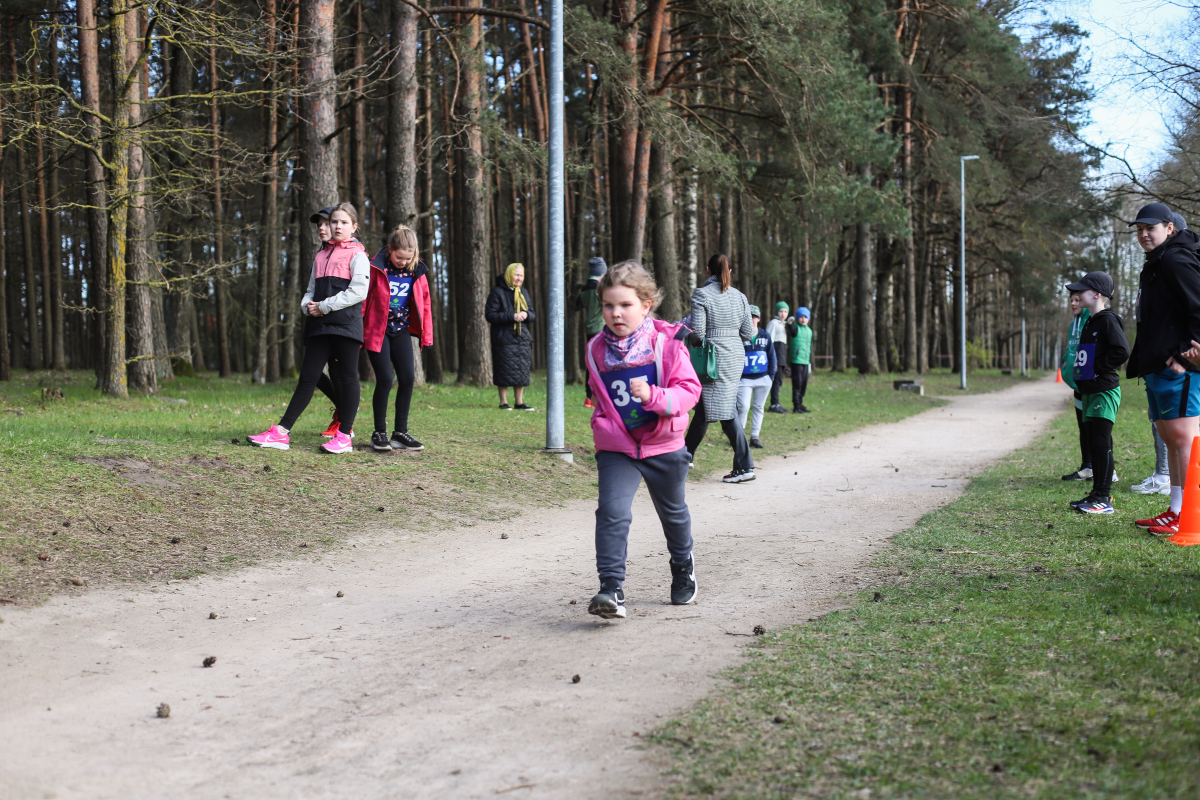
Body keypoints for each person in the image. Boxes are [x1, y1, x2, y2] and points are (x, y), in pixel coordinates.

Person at [583, 261, 702, 619]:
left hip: (664, 445)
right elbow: (601, 395)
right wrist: (603, 422)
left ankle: (682, 567)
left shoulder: (667, 343)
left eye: (625, 305)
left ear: (646, 305)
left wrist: (654, 397)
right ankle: (611, 589)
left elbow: (689, 392)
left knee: (673, 514)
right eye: (608, 305)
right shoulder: (596, 350)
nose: (615, 313)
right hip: (618, 447)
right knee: (612, 513)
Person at [247, 202, 369, 453]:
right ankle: (281, 432)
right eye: (334, 221)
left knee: (348, 378)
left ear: (354, 227)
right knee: (308, 377)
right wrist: (307, 305)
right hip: (320, 327)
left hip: (346, 326)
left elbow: (359, 291)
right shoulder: (321, 255)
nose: (337, 226)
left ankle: (345, 436)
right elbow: (310, 290)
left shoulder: (358, 255)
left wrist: (324, 306)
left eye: (344, 222)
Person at [1126, 202, 1200, 535]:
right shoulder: (1157, 262)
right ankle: (1175, 511)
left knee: (1184, 439)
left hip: (1180, 366)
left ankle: (1189, 516)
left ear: (1169, 228)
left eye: (1150, 228)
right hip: (1158, 364)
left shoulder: (1175, 258)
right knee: (1171, 440)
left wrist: (1191, 352)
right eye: (1139, 229)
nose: (1143, 234)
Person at [684, 253, 757, 483]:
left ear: (707, 270)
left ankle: (745, 467)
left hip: (713, 358)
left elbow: (698, 333)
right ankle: (683, 457)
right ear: (730, 271)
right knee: (706, 410)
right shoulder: (741, 297)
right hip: (735, 356)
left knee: (725, 412)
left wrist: (687, 341)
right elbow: (748, 333)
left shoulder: (701, 294)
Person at [364, 225, 433, 452]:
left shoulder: (417, 272)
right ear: (390, 249)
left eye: (408, 257)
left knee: (407, 378)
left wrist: (427, 335)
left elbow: (424, 304)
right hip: (378, 330)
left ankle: (399, 433)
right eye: (399, 257)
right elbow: (364, 299)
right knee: (385, 378)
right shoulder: (376, 268)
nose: (403, 262)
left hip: (401, 331)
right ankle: (379, 433)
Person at [1067, 272, 1128, 514]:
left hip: (1104, 390)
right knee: (1094, 442)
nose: (1078, 294)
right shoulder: (1090, 320)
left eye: (1083, 290)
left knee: (1102, 443)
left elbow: (1121, 351)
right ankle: (1095, 494)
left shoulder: (1108, 319)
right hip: (1090, 391)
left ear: (1098, 294)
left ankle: (1103, 498)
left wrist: (1096, 369)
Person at [485, 263, 537, 410]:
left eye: (521, 276)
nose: (519, 278)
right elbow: (490, 315)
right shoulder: (497, 292)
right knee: (504, 369)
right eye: (516, 275)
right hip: (503, 339)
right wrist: (512, 316)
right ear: (509, 275)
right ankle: (503, 402)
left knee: (520, 370)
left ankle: (519, 402)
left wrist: (526, 314)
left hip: (522, 338)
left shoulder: (523, 292)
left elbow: (532, 314)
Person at [1059, 289, 1092, 481]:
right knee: (1082, 426)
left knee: (1095, 427)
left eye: (1078, 300)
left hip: (1090, 383)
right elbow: (1070, 347)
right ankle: (1086, 466)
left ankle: (1105, 470)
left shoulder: (1091, 321)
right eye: (1072, 300)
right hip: (1077, 383)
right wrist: (1065, 361)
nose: (1074, 304)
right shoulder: (1074, 323)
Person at [735, 305, 777, 448]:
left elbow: (772, 356)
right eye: (748, 317)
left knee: (759, 407)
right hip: (744, 379)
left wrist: (770, 376)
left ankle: (755, 436)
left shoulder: (765, 336)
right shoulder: (739, 336)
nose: (751, 320)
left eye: (754, 317)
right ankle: (738, 437)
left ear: (758, 318)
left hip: (763, 378)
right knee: (743, 406)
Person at [576, 257, 607, 408]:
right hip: (601, 329)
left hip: (589, 328)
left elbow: (577, 305)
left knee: (591, 364)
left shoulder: (584, 289)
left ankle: (589, 398)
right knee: (602, 363)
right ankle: (600, 397)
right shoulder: (599, 289)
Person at [786, 306, 814, 413]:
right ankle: (796, 406)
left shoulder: (809, 331)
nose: (803, 319)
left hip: (806, 361)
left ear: (808, 319)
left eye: (805, 317)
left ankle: (800, 404)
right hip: (797, 361)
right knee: (797, 384)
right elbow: (791, 329)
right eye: (801, 317)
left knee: (804, 384)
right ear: (798, 318)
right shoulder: (795, 328)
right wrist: (790, 323)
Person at [765, 301, 791, 413]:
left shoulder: (783, 325)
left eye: (785, 311)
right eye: (781, 311)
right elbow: (769, 342)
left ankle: (777, 403)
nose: (783, 314)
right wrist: (772, 360)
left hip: (781, 358)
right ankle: (774, 404)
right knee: (775, 381)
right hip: (775, 358)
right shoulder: (774, 323)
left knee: (779, 381)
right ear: (777, 312)